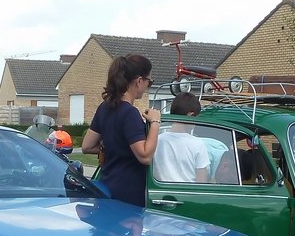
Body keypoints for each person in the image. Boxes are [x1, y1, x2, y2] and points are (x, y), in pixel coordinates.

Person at [80, 54, 160, 206]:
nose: (147, 86)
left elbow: (87, 146)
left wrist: (112, 147)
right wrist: (155, 122)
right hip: (128, 193)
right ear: (139, 81)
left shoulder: (104, 107)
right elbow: (145, 156)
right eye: (149, 82)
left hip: (107, 186)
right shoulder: (130, 113)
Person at [153, 93, 209, 182]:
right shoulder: (198, 144)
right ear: (191, 115)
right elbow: (202, 182)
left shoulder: (157, 141)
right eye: (197, 118)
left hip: (160, 189)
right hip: (188, 190)